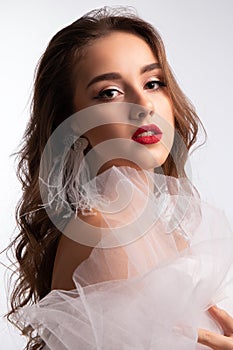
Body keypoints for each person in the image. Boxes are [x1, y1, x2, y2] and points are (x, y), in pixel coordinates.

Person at [5, 6, 233, 350]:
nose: (144, 105)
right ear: (72, 122)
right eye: (110, 92)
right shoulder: (107, 231)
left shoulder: (149, 224)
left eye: (153, 83)